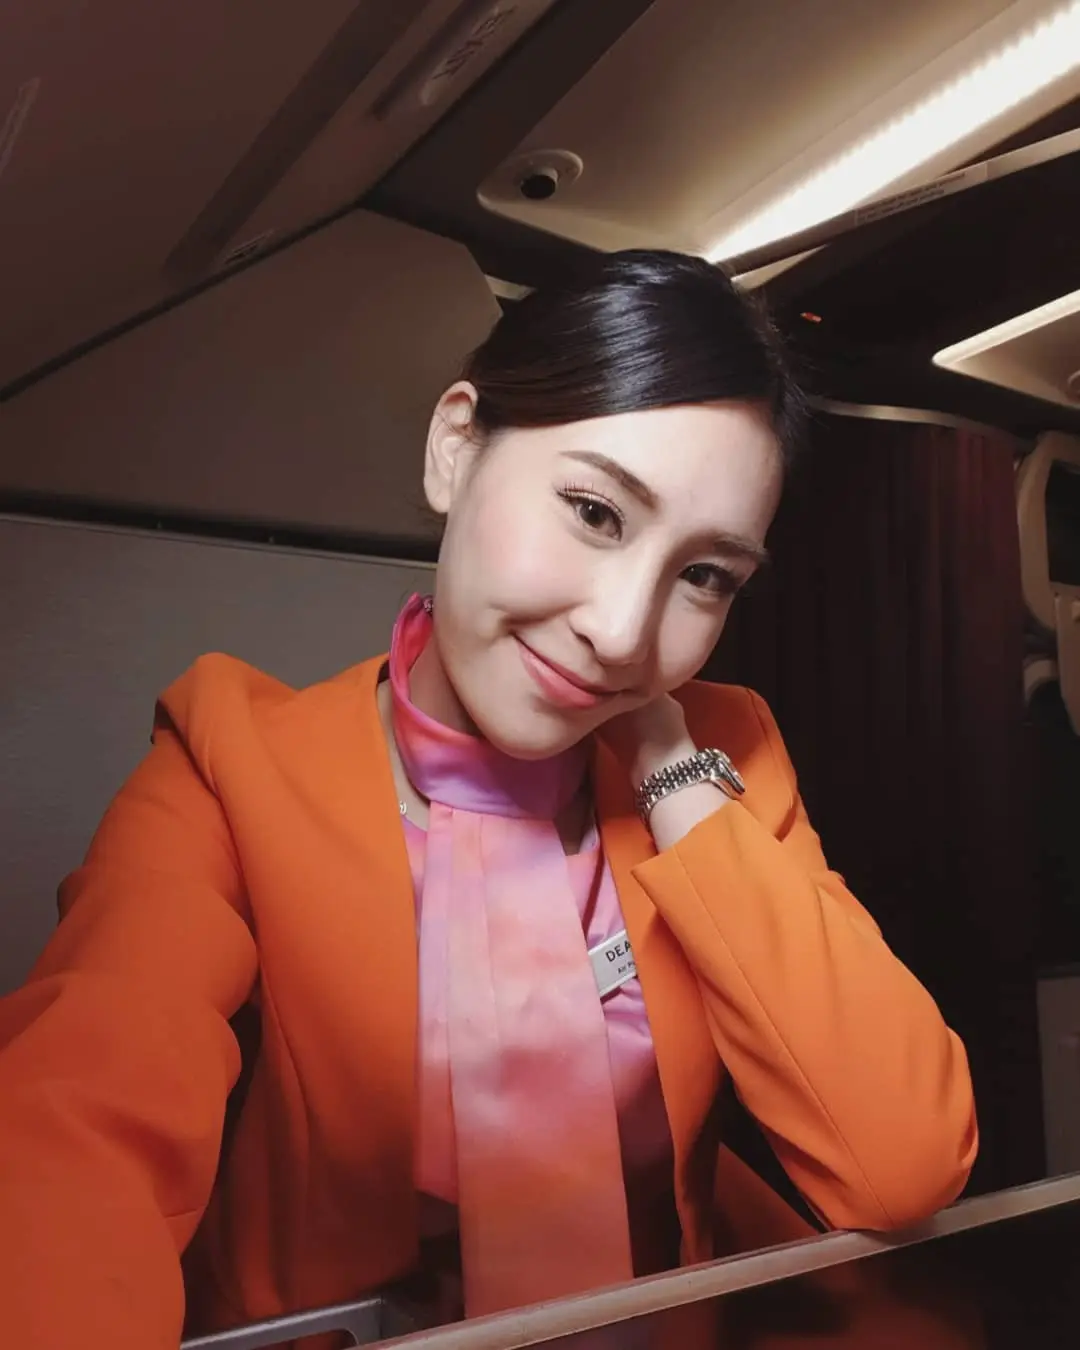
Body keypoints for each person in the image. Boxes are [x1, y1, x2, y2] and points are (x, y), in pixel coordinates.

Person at [0, 250, 977, 1350]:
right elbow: (71, 1139)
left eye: (705, 576)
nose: (622, 630)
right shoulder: (232, 762)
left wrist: (665, 754)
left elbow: (900, 1163)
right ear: (455, 448)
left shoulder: (726, 754)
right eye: (595, 512)